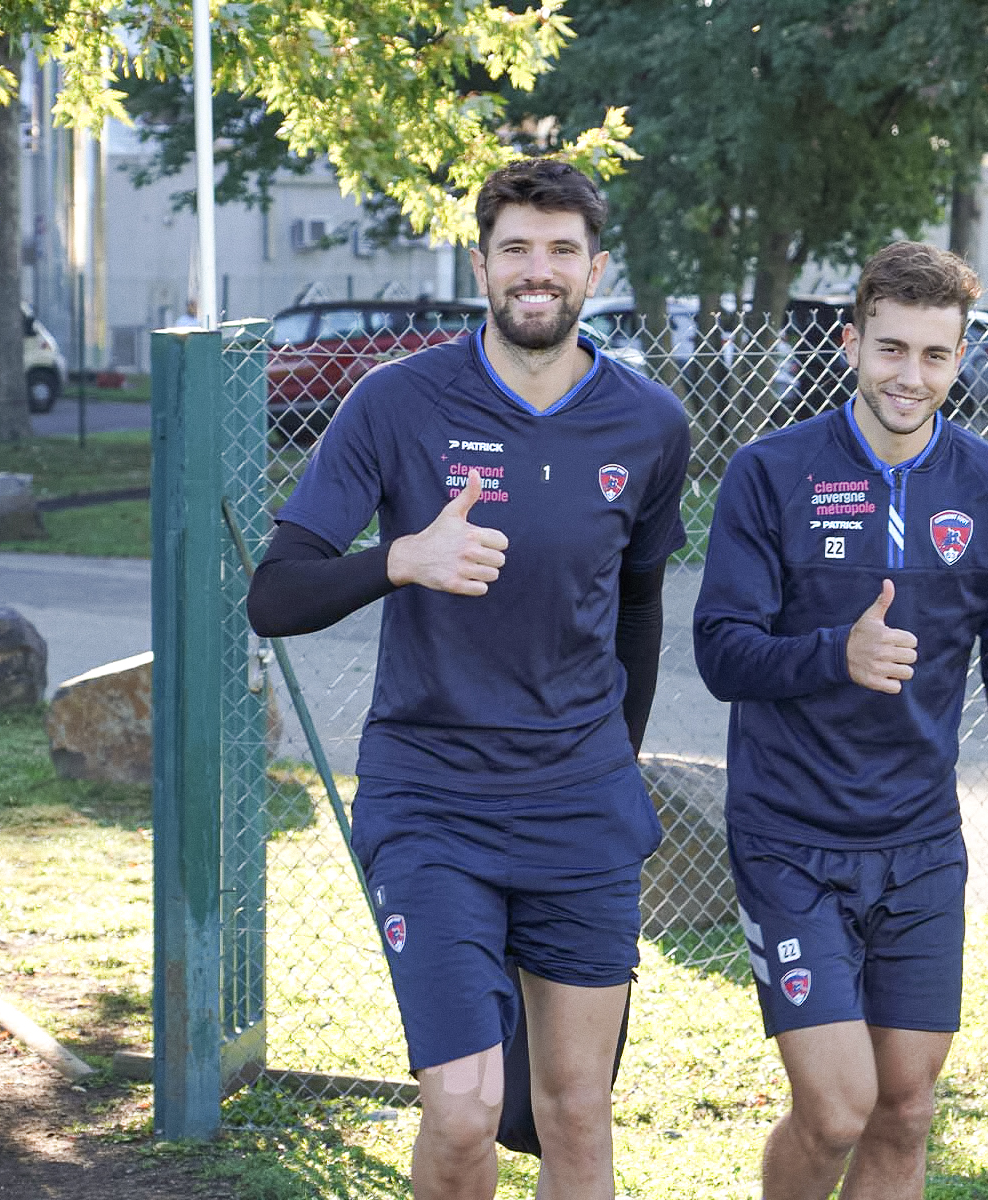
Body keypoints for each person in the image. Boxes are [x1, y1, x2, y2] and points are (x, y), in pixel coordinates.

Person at [247, 158, 690, 1200]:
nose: (538, 272)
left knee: (578, 1114)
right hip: (432, 800)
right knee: (461, 1112)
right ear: (480, 261)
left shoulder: (649, 423)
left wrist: (612, 763)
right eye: (516, 250)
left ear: (596, 268)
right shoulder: (395, 403)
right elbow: (276, 596)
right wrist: (398, 559)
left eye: (560, 251)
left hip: (580, 804)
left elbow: (637, 603)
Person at [692, 242, 988, 1200]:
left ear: (959, 359)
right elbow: (720, 652)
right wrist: (837, 652)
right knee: (835, 1110)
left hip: (919, 843)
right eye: (891, 350)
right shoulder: (771, 473)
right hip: (790, 838)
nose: (910, 377)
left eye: (934, 356)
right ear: (851, 344)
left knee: (905, 1109)